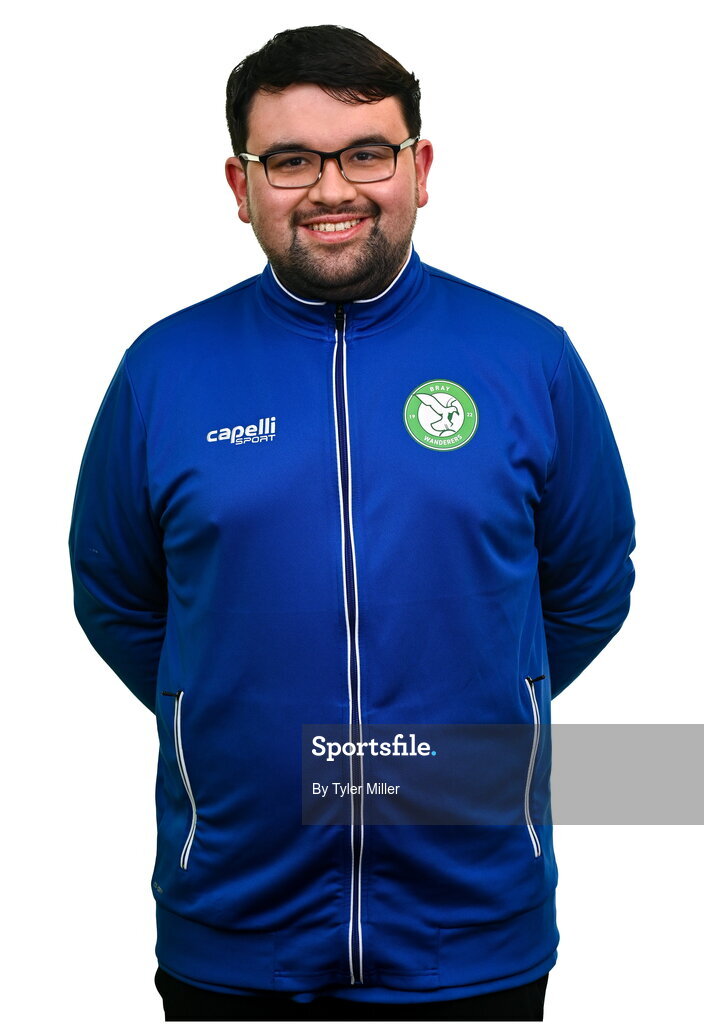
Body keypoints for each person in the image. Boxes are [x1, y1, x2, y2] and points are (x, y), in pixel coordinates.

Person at [68, 24, 636, 1023]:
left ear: (417, 168)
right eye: (289, 160)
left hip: (471, 931)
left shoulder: (527, 357)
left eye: (364, 153)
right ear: (240, 186)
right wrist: (226, 715)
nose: (331, 189)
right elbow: (118, 595)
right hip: (235, 926)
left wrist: (483, 708)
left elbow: (586, 587)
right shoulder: (162, 370)